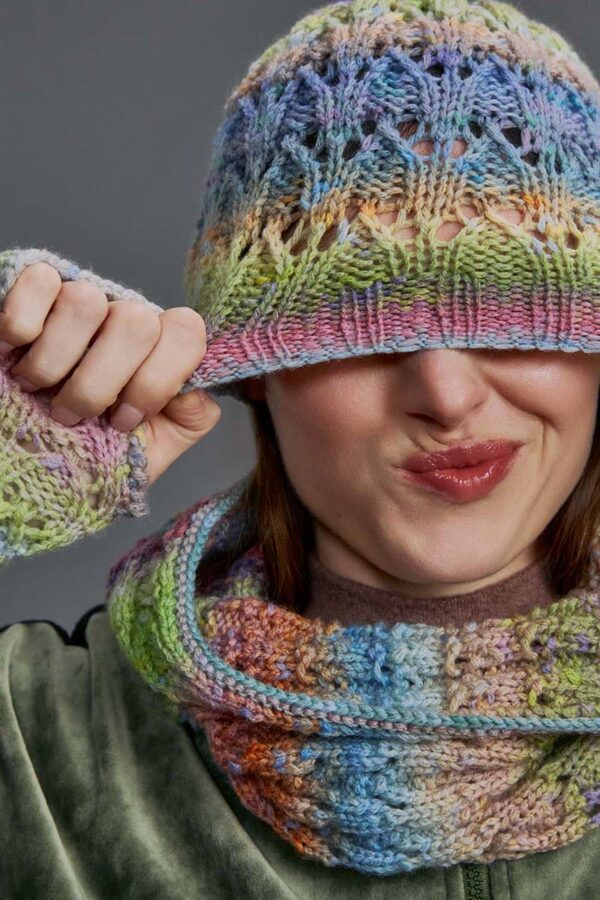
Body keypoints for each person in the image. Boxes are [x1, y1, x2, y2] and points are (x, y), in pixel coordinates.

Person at [3, 0, 600, 896]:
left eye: (511, 308)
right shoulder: (38, 748)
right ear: (254, 370)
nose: (447, 395)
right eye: (359, 319)